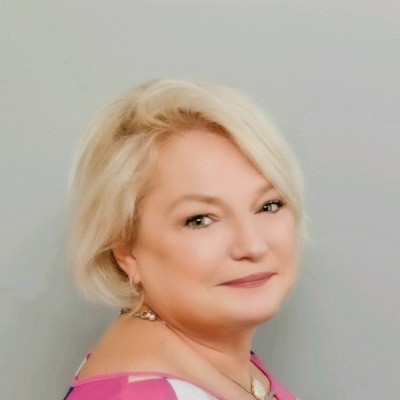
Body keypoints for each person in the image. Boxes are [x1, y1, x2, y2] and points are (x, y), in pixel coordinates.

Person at [63, 79, 307, 400]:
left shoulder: (216, 356)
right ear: (125, 251)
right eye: (200, 220)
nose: (253, 246)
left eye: (268, 205)